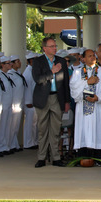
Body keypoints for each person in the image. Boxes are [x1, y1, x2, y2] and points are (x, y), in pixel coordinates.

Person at [32, 37, 71, 168]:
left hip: (57, 98)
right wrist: (52, 72)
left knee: (55, 130)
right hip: (43, 98)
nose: (55, 48)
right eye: (52, 46)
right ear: (45, 48)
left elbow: (66, 83)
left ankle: (56, 157)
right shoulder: (38, 61)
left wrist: (66, 101)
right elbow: (38, 79)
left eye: (55, 46)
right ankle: (41, 157)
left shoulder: (61, 61)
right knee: (43, 129)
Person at [70, 49, 101, 158]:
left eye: (93, 55)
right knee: (83, 130)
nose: (92, 57)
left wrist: (98, 98)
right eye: (89, 56)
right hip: (82, 107)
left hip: (97, 107)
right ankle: (82, 155)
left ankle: (98, 156)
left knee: (97, 129)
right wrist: (87, 82)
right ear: (83, 59)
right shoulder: (77, 72)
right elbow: (74, 90)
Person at [8, 55, 26, 152]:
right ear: (12, 63)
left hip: (19, 101)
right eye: (18, 61)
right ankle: (10, 144)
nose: (20, 63)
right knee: (12, 125)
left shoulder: (18, 73)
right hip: (14, 102)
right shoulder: (11, 74)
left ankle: (14, 144)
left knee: (16, 125)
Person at [22, 53, 38, 149]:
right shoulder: (28, 72)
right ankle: (28, 143)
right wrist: (28, 101)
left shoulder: (33, 71)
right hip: (30, 103)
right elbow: (27, 89)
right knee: (29, 124)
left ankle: (33, 141)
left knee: (34, 124)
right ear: (30, 61)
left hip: (34, 102)